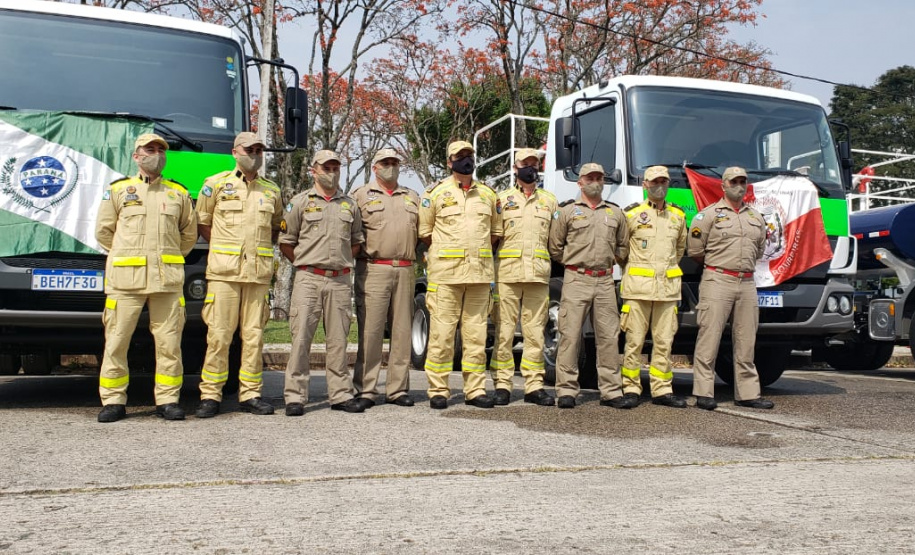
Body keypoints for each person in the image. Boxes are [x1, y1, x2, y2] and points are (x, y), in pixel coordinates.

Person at [95, 133, 197, 422]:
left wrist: (169, 256)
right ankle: (114, 401)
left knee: (169, 343)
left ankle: (167, 400)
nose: (156, 154)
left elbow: (188, 234)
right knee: (116, 340)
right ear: (136, 156)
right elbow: (104, 232)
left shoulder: (177, 193)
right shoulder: (118, 190)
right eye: (149, 149)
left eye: (160, 150)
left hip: (166, 280)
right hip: (126, 280)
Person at [194, 132, 283, 418]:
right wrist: (226, 252)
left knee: (254, 337)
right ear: (235, 152)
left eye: (259, 149)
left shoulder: (271, 190)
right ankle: (210, 395)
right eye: (250, 149)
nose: (255, 154)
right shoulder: (216, 184)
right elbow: (203, 224)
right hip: (224, 275)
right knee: (219, 337)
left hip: (257, 276)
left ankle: (250, 394)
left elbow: (274, 228)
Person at [280, 149, 366, 416]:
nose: (331, 172)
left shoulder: (349, 205)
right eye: (325, 168)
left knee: (338, 341)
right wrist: (307, 263)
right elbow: (286, 242)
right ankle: (295, 396)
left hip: (339, 281)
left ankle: (340, 394)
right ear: (313, 170)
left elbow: (356, 243)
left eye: (335, 168)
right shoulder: (300, 202)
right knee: (301, 339)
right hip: (308, 279)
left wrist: (338, 263)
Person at [418, 140, 501, 409]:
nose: (466, 160)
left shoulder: (489, 195)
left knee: (476, 337)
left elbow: (496, 234)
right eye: (460, 156)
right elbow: (425, 233)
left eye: (469, 155)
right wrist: (450, 253)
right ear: (449, 162)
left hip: (479, 276)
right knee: (441, 335)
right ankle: (438, 390)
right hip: (446, 277)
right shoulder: (435, 194)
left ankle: (475, 390)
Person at [688, 166, 774, 410]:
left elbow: (758, 250)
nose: (739, 186)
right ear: (723, 186)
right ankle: (704, 393)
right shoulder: (707, 216)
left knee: (746, 340)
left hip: (747, 282)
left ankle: (747, 394)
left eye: (742, 182)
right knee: (709, 337)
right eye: (733, 182)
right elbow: (695, 251)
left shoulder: (755, 217)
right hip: (718, 280)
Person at [548, 162, 629, 409]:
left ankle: (612, 391)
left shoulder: (616, 213)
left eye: (599, 177)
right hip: (576, 278)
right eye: (590, 177)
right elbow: (555, 247)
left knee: (608, 337)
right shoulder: (567, 212)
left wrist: (606, 264)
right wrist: (575, 264)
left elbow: (622, 247)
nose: (595, 181)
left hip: (604, 280)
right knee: (570, 335)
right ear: (580, 182)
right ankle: (566, 390)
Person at [351, 148, 419, 409]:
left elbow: (422, 233)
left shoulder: (412, 196)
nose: (390, 166)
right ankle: (366, 389)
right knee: (371, 331)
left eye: (394, 162)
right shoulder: (360, 196)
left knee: (402, 332)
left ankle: (397, 389)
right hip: (373, 268)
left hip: (405, 268)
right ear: (374, 167)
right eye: (385, 163)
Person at [489, 148, 557, 406]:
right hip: (508, 274)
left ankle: (534, 386)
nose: (531, 167)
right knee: (504, 331)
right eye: (525, 163)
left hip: (538, 276)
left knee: (535, 332)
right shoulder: (501, 200)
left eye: (534, 163)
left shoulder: (550, 201)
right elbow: (493, 238)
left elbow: (555, 240)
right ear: (515, 168)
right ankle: (503, 385)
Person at [619, 166, 688, 408]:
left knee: (664, 342)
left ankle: (662, 390)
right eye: (655, 181)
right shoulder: (631, 215)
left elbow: (679, 250)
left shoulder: (678, 216)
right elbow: (621, 252)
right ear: (645, 185)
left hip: (667, 290)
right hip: (637, 290)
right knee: (634, 342)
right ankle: (630, 388)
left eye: (664, 181)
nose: (660, 185)